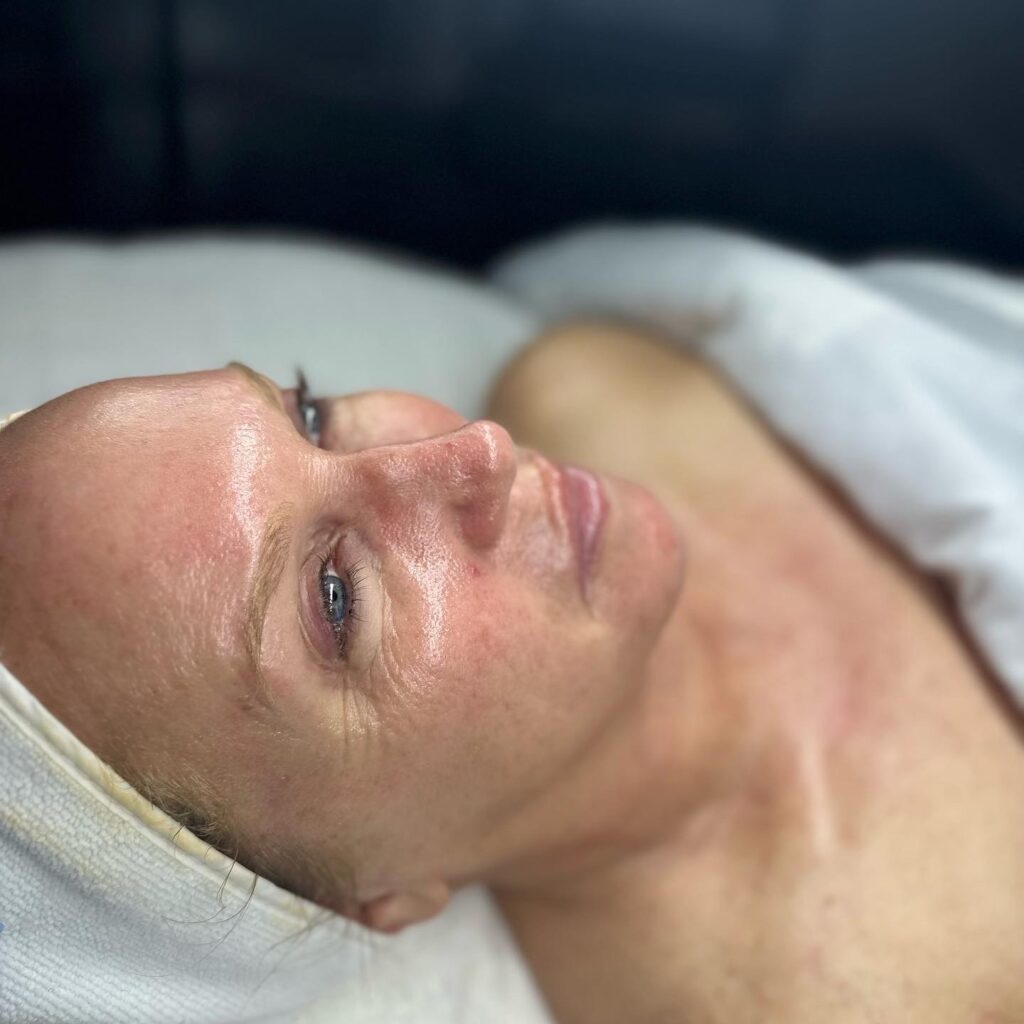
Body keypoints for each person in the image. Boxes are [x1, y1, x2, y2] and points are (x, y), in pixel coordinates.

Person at [1, 321, 1023, 1023]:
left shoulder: (599, 384)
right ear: (371, 895)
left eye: (309, 417)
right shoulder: (889, 995)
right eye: (339, 598)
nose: (477, 451)